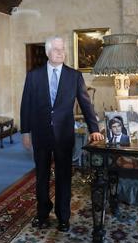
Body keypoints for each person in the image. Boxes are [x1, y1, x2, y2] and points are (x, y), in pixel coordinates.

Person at [20, 36, 104, 232]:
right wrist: (25, 132)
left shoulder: (74, 76)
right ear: (48, 52)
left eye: (63, 49)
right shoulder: (34, 75)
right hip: (40, 134)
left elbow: (86, 104)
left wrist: (94, 129)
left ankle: (63, 216)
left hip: (64, 135)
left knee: (64, 176)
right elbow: (26, 105)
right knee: (41, 176)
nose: (60, 52)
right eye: (56, 49)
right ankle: (42, 214)